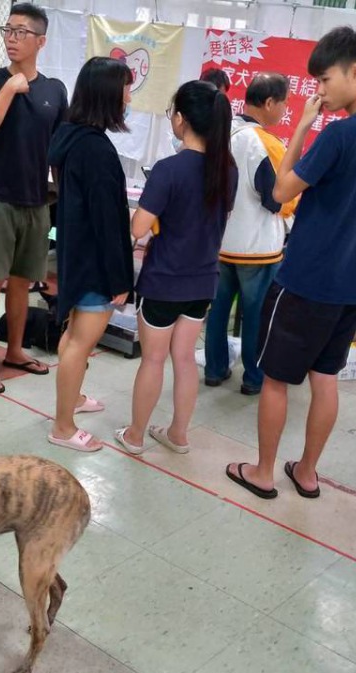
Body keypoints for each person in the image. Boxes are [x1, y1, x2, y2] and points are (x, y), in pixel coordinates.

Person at [224, 27, 356, 500]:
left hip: (308, 279)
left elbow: (280, 191)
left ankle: (264, 472)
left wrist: (303, 128)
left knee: (276, 379)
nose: (320, 92)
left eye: (326, 80)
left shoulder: (341, 135)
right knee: (326, 376)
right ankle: (307, 473)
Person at [115, 81, 237, 456]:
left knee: (153, 359)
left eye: (172, 114)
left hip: (164, 281)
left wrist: (139, 214)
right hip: (203, 281)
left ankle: (135, 436)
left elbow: (137, 229)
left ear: (181, 120)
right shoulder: (226, 170)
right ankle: (179, 434)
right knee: (184, 359)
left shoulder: (169, 170)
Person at [0, 3, 67, 394]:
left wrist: (67, 199)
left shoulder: (55, 90)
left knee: (24, 283)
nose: (12, 38)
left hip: (36, 201)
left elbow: (58, 150)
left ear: (40, 41)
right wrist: (10, 88)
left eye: (21, 32)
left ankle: (14, 351)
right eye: (8, 30)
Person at [45, 56, 135, 453]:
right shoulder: (94, 149)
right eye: (125, 89)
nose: (129, 97)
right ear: (108, 95)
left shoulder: (70, 135)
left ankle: (74, 398)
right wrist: (120, 278)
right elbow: (106, 220)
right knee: (81, 342)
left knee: (73, 336)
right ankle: (63, 427)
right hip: (95, 260)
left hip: (76, 253)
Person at [204, 72, 295, 397]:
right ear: (269, 103)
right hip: (257, 248)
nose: (285, 110)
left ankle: (215, 370)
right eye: (284, 103)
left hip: (220, 243)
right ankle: (254, 378)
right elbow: (277, 198)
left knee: (217, 311)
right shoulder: (265, 143)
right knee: (257, 314)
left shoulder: (219, 132)